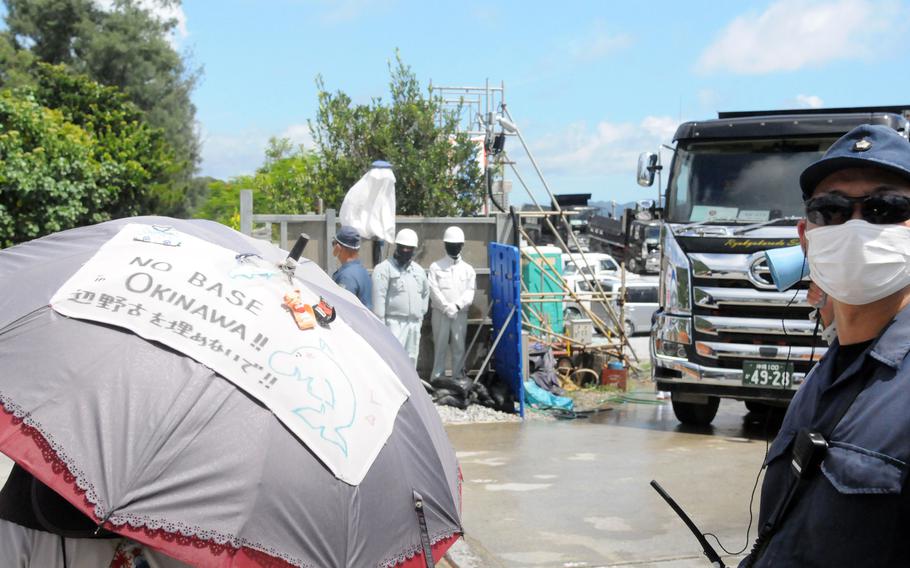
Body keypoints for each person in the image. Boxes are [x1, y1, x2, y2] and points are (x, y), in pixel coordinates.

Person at [742, 124, 910, 567]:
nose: (855, 226)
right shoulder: (822, 377)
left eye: (885, 208)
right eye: (830, 210)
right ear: (806, 236)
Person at [372, 228, 429, 366]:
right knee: (393, 361)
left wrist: (419, 318)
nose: (405, 250)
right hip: (393, 324)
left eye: (409, 248)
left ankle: (409, 388)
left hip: (414, 324)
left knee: (411, 361)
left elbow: (425, 294)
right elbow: (378, 300)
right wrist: (382, 328)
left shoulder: (419, 271)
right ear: (397, 246)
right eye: (402, 247)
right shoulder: (384, 269)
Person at [428, 226, 476, 383]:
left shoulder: (468, 269)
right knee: (440, 347)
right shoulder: (435, 267)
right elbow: (433, 290)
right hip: (440, 314)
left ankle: (458, 379)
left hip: (460, 314)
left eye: (457, 244)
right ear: (445, 245)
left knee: (459, 348)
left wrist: (456, 306)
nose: (454, 247)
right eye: (450, 244)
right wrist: (446, 307)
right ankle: (437, 379)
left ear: (462, 245)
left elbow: (470, 291)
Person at [331, 225, 372, 309]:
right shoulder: (362, 271)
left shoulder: (347, 277)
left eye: (333, 243)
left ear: (338, 247)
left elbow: (343, 309)